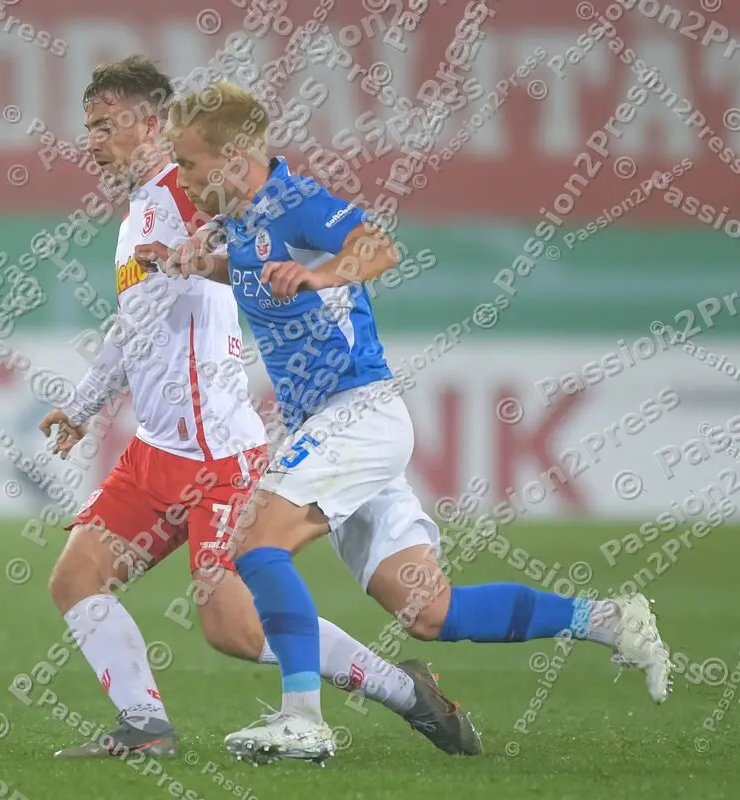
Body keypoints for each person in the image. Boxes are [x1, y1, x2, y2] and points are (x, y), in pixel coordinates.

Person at [148, 80, 672, 766]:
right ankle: (606, 620)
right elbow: (251, 270)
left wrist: (323, 275)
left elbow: (378, 249)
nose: (180, 179)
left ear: (235, 157)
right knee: (430, 612)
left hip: (355, 412)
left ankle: (302, 718)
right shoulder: (241, 216)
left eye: (187, 164)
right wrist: (199, 264)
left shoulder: (297, 202)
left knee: (254, 542)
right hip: (339, 423)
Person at [39, 56, 482, 760]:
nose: (90, 142)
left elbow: (267, 205)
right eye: (87, 127)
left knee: (237, 631)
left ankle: (405, 691)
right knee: (76, 577)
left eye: (104, 126)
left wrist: (309, 262)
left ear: (152, 127)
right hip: (157, 451)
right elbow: (136, 327)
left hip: (221, 456)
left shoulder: (199, 197)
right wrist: (82, 406)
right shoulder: (138, 218)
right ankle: (145, 728)